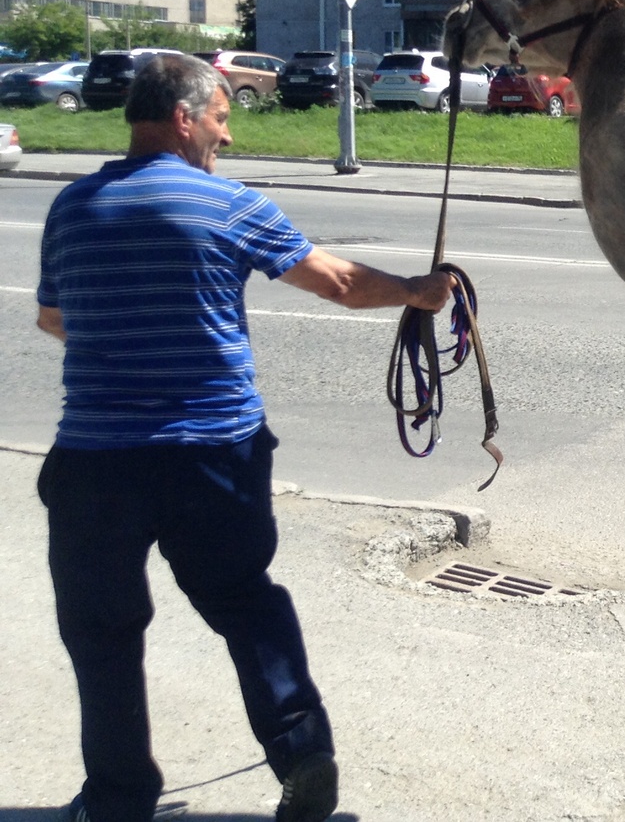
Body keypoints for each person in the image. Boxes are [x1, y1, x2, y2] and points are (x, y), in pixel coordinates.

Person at [34, 55, 453, 822]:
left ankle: (118, 799)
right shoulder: (227, 205)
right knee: (246, 602)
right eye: (221, 121)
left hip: (96, 461)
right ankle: (303, 752)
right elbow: (338, 281)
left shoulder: (71, 207)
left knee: (102, 630)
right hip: (214, 454)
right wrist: (417, 292)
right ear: (184, 117)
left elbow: (54, 320)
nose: (225, 138)